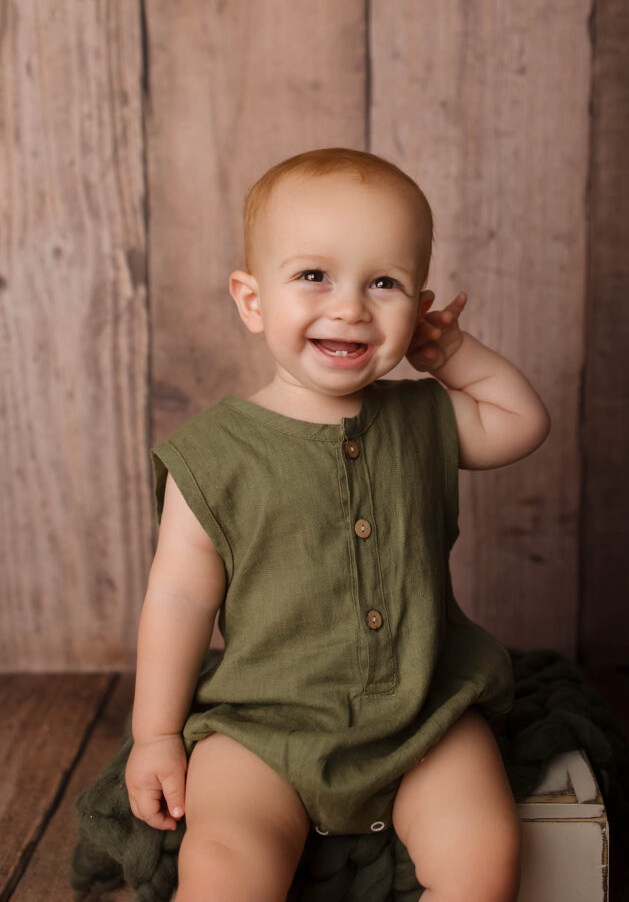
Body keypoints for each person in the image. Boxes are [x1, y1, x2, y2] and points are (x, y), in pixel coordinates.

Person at [125, 147, 551, 901]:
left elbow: (523, 422)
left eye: (383, 283)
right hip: (264, 725)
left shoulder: (425, 418)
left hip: (424, 716)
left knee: (485, 854)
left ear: (416, 305)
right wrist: (156, 734)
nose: (351, 306)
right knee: (223, 862)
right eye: (314, 275)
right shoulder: (215, 454)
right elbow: (179, 600)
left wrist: (450, 352)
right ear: (253, 300)